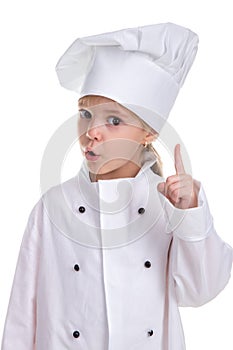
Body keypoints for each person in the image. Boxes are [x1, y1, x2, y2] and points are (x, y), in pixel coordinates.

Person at [1, 23, 233, 350]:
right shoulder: (53, 207)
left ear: (149, 132)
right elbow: (23, 312)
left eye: (113, 120)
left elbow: (200, 291)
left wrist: (191, 216)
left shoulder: (166, 204)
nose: (92, 131)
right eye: (85, 113)